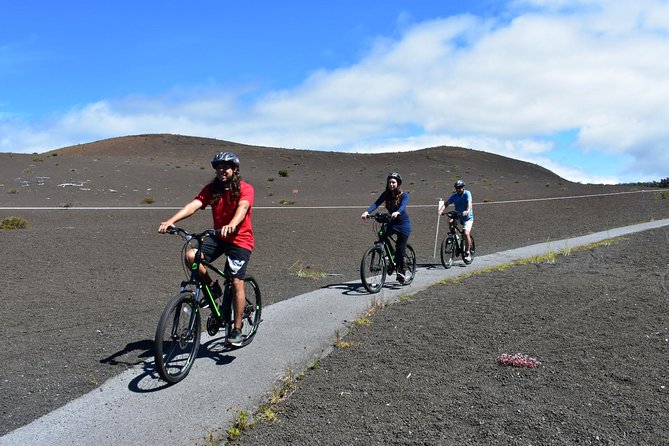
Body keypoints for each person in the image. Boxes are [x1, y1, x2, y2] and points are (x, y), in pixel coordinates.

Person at [158, 151, 254, 346]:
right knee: (191, 256)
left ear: (234, 169)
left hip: (240, 239)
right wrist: (171, 221)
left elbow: (243, 207)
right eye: (218, 167)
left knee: (236, 281)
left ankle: (236, 329)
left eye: (226, 167)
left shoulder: (245, 188)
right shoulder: (213, 189)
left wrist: (233, 224)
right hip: (218, 236)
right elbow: (194, 205)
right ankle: (213, 287)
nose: (221, 170)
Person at [361, 172, 412, 284]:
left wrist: (397, 211)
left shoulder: (405, 195)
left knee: (400, 247)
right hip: (392, 222)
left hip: (404, 225)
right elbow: (376, 203)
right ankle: (390, 257)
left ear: (398, 183)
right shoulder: (386, 194)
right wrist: (367, 212)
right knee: (382, 235)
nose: (391, 184)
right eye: (389, 182)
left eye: (393, 182)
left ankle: (402, 271)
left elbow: (403, 206)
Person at [439, 179, 474, 261]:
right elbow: (447, 203)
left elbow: (469, 202)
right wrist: (441, 210)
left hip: (467, 217)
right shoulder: (454, 196)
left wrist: (467, 210)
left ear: (463, 187)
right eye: (457, 188)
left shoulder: (467, 193)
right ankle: (453, 236)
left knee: (465, 233)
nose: (458, 189)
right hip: (459, 216)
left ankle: (467, 252)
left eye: (460, 187)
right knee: (450, 220)